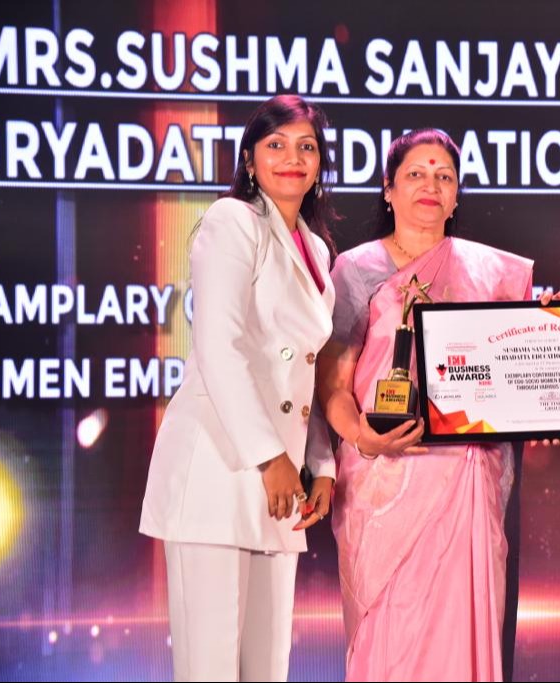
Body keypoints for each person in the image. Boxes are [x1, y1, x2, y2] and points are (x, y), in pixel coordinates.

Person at [317, 128, 533, 681]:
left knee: (460, 636)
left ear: (457, 196)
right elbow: (332, 383)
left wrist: (548, 329)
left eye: (444, 177)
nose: (430, 186)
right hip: (382, 479)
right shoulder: (356, 269)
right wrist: (363, 437)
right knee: (391, 639)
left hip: (467, 480)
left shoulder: (490, 274)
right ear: (388, 190)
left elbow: (516, 375)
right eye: (415, 174)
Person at [139, 95, 337, 682]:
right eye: (276, 145)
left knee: (267, 669)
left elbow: (306, 370)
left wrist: (321, 465)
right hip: (220, 470)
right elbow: (218, 347)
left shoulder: (316, 248)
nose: (292, 158)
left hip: (280, 484)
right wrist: (271, 459)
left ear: (320, 163)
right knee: (211, 669)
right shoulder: (231, 220)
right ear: (249, 159)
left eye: (306, 147)